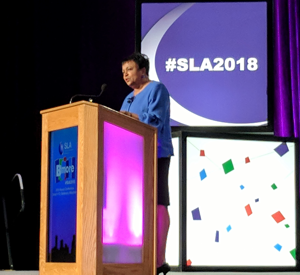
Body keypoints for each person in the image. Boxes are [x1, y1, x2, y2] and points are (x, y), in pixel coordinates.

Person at [120, 53, 173, 275]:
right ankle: (138, 257)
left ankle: (159, 260)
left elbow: (156, 120)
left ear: (143, 70)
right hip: (133, 156)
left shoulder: (156, 89)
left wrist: (133, 118)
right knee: (138, 206)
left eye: (129, 70)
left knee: (158, 201)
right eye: (123, 72)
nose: (125, 75)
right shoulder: (127, 98)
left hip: (156, 153)